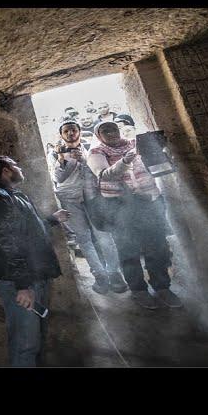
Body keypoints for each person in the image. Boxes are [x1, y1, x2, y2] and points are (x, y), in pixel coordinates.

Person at [0, 156, 69, 366]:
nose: (20, 167)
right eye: (16, 165)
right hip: (20, 281)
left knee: (35, 342)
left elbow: (28, 233)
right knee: (25, 344)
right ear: (6, 170)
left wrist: (52, 220)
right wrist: (22, 285)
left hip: (35, 277)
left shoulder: (15, 196)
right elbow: (4, 241)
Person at [87, 121, 183, 309]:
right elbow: (104, 175)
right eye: (105, 130)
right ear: (98, 135)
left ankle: (162, 287)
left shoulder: (133, 144)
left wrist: (161, 152)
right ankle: (139, 290)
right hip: (118, 206)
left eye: (113, 128)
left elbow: (155, 165)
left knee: (157, 246)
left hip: (148, 201)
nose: (111, 133)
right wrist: (126, 160)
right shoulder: (96, 152)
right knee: (128, 249)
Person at [49, 121, 127, 294]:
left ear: (79, 131)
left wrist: (82, 159)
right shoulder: (56, 153)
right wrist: (67, 161)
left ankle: (114, 273)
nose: (70, 133)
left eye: (73, 130)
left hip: (93, 197)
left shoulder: (90, 148)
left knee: (104, 235)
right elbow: (59, 178)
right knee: (84, 238)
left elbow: (97, 171)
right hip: (70, 199)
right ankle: (100, 275)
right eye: (66, 131)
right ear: (61, 134)